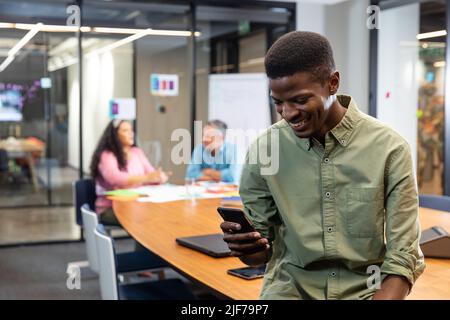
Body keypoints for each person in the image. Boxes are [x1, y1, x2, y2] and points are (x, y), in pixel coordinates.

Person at [220, 31, 425, 300]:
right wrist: (246, 248)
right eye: (278, 102)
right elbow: (262, 254)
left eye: (301, 100)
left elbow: (403, 256)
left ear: (333, 83)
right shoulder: (265, 150)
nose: (289, 113)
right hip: (290, 290)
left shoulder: (390, 149)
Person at [90, 119, 169, 226]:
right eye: (125, 131)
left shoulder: (137, 152)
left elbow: (151, 174)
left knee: (157, 215)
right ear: (115, 135)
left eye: (131, 130)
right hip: (110, 208)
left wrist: (158, 177)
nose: (131, 134)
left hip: (136, 204)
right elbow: (114, 178)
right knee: (146, 219)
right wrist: (146, 178)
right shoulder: (107, 155)